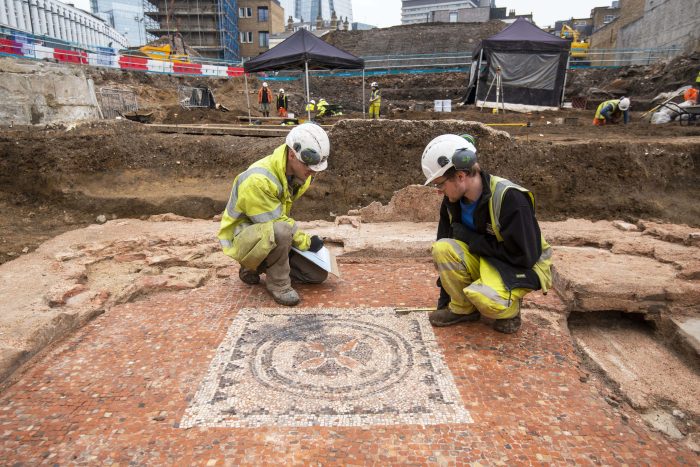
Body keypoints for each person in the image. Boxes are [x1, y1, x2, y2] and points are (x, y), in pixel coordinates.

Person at [421, 134, 552, 334]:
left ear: (461, 176)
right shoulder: (452, 202)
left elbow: (525, 257)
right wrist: (445, 303)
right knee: (442, 248)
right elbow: (444, 245)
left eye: (440, 184)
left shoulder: (510, 199)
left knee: (487, 299)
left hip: (522, 263)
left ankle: (509, 310)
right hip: (488, 258)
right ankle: (464, 310)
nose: (439, 191)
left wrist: (473, 240)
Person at [218, 123, 330, 306]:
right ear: (292, 154)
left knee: (316, 274)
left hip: (269, 232)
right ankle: (278, 284)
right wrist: (306, 242)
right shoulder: (258, 180)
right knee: (282, 231)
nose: (312, 171)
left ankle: (258, 267)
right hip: (242, 239)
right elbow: (277, 223)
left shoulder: (299, 175)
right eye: (308, 165)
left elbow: (278, 218)